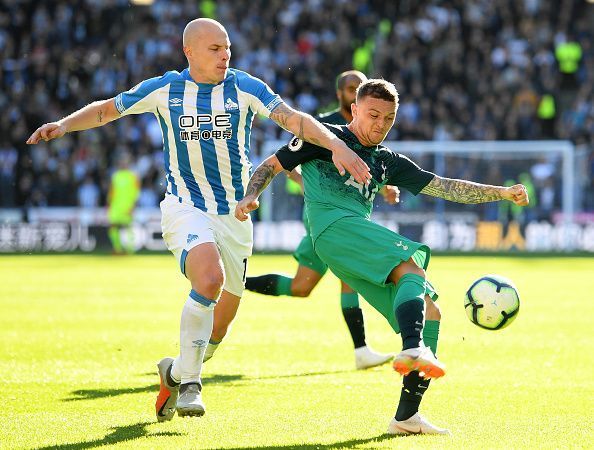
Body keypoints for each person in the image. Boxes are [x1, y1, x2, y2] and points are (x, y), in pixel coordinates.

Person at [26, 18, 372, 422]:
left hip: (236, 214)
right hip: (185, 207)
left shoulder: (245, 87)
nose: (225, 55)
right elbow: (107, 110)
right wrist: (64, 125)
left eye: (227, 47)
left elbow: (294, 119)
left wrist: (333, 144)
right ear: (189, 51)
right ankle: (191, 383)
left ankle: (173, 372)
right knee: (209, 279)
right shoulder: (165, 89)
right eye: (214, 49)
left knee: (219, 328)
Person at [235, 79, 529, 435]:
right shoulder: (323, 137)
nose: (380, 124)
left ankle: (406, 417)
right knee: (412, 267)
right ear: (355, 109)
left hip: (346, 239)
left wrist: (502, 193)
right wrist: (251, 195)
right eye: (373, 114)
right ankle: (412, 347)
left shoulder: (386, 161)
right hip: (330, 227)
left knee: (431, 311)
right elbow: (271, 165)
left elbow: (445, 187)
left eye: (388, 118)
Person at [244, 70, 396, 370]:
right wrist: (304, 182)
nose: (355, 92)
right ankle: (363, 349)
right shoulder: (323, 127)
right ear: (340, 94)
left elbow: (366, 167)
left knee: (301, 287)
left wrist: (383, 185)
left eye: (359, 87)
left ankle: (237, 280)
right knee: (352, 277)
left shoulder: (367, 126)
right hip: (324, 213)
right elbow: (286, 159)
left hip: (347, 213)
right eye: (351, 88)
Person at [107, 153, 140, 254]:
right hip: (115, 206)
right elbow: (112, 191)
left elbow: (136, 192)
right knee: (113, 227)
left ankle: (129, 249)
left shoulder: (133, 176)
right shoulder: (116, 175)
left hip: (127, 206)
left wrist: (133, 205)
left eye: (125, 162)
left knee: (127, 227)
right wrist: (108, 203)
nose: (123, 164)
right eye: (122, 162)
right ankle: (117, 249)